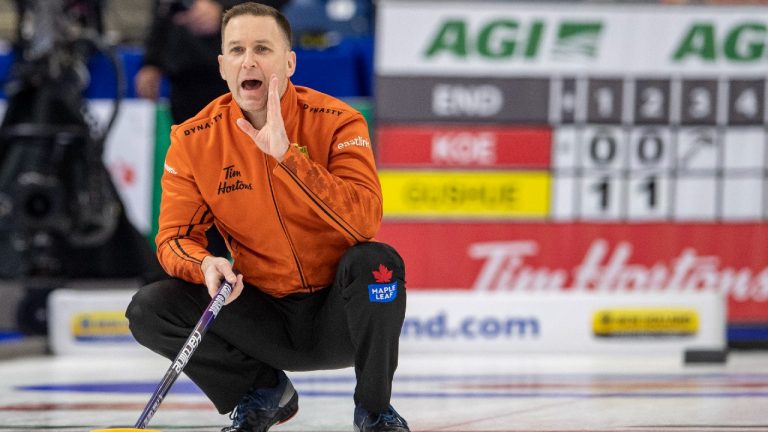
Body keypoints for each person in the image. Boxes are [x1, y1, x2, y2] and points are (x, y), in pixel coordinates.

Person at [125, 3, 410, 432]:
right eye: (237, 50)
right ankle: (261, 390)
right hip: (263, 318)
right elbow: (173, 238)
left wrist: (287, 158)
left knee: (377, 262)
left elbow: (364, 221)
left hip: (340, 318)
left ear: (289, 61)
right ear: (222, 66)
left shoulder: (338, 122)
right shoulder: (192, 141)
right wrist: (204, 263)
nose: (249, 61)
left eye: (263, 48)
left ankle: (374, 410)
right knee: (151, 307)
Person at [135, 0, 288, 256]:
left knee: (251, 174)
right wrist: (153, 59)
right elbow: (164, 8)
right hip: (186, 79)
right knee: (197, 180)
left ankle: (266, 267)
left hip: (244, 74)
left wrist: (226, 10)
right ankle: (203, 265)